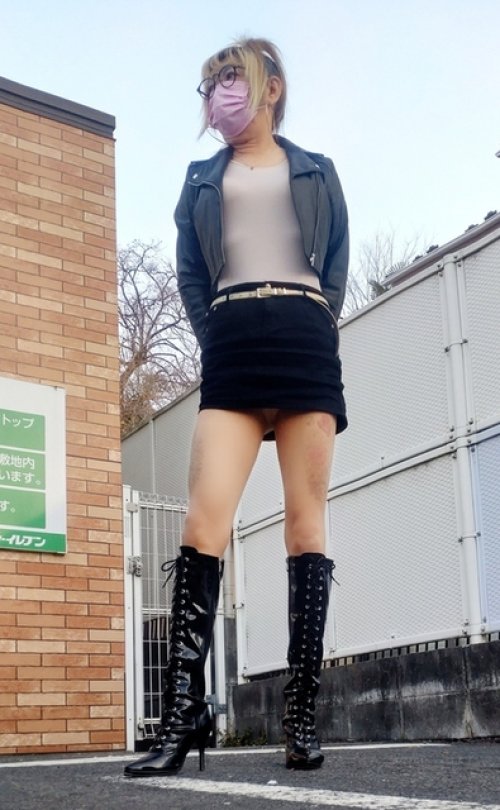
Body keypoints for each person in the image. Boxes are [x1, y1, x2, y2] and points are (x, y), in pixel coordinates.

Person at [125, 36, 349, 778]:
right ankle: (183, 713)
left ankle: (300, 715)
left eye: (232, 76)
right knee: (202, 523)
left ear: (271, 87)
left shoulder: (316, 170)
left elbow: (336, 265)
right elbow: (192, 274)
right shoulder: (200, 179)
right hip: (232, 342)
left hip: (304, 338)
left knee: (305, 526)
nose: (220, 90)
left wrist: (317, 320)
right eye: (212, 81)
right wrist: (215, 330)